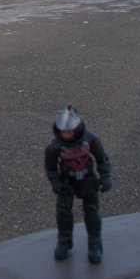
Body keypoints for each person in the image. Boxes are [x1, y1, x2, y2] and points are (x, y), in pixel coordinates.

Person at [44, 105, 112, 264]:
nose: (66, 135)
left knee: (92, 212)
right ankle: (64, 240)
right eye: (63, 132)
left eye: (69, 131)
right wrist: (55, 182)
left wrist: (105, 176)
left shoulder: (90, 139)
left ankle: (95, 242)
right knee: (63, 213)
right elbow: (50, 167)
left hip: (88, 180)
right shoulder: (54, 146)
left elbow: (102, 158)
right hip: (67, 181)